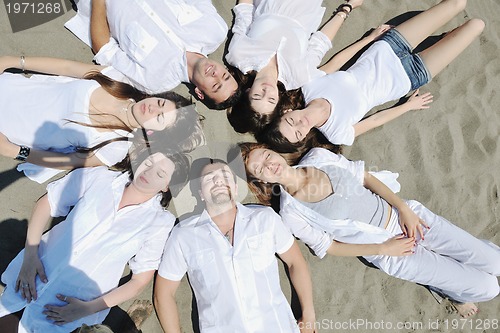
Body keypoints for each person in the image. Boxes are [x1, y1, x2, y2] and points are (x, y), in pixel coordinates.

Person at [240, 142, 500, 318]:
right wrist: (384, 248)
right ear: (260, 180)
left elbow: (364, 177)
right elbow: (329, 247)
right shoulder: (291, 212)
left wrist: (403, 209)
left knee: (496, 262)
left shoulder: (318, 157)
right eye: (259, 168)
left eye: (265, 155)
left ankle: (453, 278)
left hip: (407, 217)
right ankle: (452, 291)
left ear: (272, 150)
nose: (268, 164)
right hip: (392, 253)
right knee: (488, 288)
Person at [0, 149, 190, 332]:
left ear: (167, 186)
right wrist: (30, 256)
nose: (148, 172)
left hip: (67, 309)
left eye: (160, 173)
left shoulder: (160, 223)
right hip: (28, 276)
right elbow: (48, 202)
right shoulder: (100, 177)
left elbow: (139, 281)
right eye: (148, 163)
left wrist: (88, 308)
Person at [259, 0, 484, 149]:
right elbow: (375, 120)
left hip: (388, 47)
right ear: (303, 139)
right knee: (476, 25)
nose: (301, 123)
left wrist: (371, 38)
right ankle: (447, 39)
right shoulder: (337, 133)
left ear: (287, 111)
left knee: (458, 3)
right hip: (411, 76)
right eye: (298, 133)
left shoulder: (309, 86)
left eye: (291, 121)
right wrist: (408, 106)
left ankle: (444, 38)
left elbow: (337, 61)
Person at [154, 158, 316, 332]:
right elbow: (163, 294)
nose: (218, 181)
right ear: (201, 193)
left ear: (236, 188)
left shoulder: (264, 219)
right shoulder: (183, 235)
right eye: (209, 179)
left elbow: (295, 262)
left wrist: (309, 315)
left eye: (225, 176)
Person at [0, 55, 202, 183]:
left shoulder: (115, 148)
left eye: (158, 117)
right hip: (9, 87)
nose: (151, 108)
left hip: (7, 129)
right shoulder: (119, 81)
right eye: (159, 103)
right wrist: (13, 61)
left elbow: (65, 161)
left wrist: (13, 151)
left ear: (151, 132)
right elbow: (67, 67)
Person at [225, 0, 377, 134]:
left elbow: (244, 12)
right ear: (278, 100)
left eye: (257, 96)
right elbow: (320, 42)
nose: (267, 90)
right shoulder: (298, 77)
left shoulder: (239, 56)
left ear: (247, 92)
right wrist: (348, 7)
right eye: (271, 99)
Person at [65, 0, 240, 109]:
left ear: (199, 93)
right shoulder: (214, 30)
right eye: (224, 75)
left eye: (215, 85)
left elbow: (104, 49)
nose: (216, 74)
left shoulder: (155, 80)